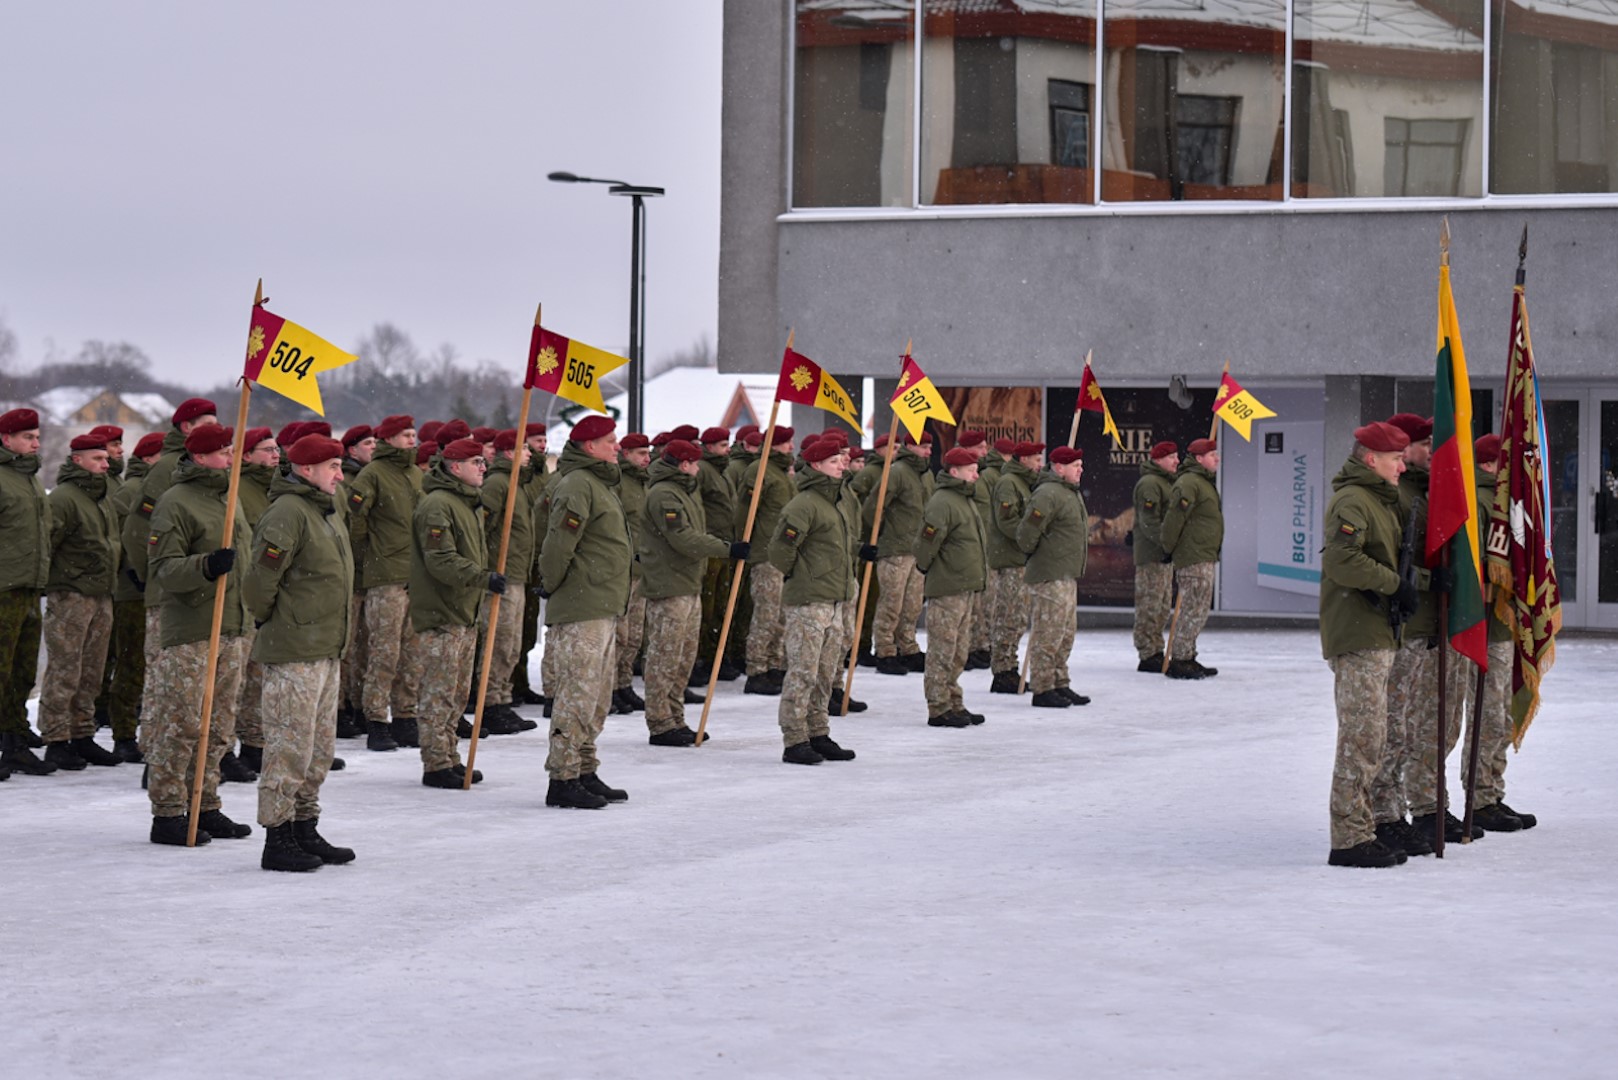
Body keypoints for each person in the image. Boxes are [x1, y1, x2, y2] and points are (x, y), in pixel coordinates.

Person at [243, 434, 357, 871]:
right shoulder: (287, 512)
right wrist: (281, 619)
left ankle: (305, 826)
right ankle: (278, 836)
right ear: (306, 469)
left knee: (318, 748)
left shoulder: (325, 509)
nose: (340, 475)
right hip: (295, 648)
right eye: (333, 467)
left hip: (325, 647)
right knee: (288, 746)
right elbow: (259, 584)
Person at [145, 422, 254, 846]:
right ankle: (169, 811)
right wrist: (205, 566)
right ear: (201, 457)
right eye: (224, 452)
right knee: (183, 723)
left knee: (219, 725)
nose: (231, 458)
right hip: (193, 628)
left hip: (232, 625)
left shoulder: (230, 496)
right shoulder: (175, 501)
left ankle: (205, 803)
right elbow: (163, 569)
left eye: (231, 450)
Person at [1321, 421, 1415, 868]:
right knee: (1360, 738)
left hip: (1377, 630)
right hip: (1359, 632)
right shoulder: (1354, 500)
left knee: (1373, 736)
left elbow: (1384, 561)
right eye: (1396, 458)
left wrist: (1417, 583)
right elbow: (1343, 560)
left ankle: (1364, 827)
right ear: (1371, 459)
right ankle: (1349, 839)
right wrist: (1394, 585)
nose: (1402, 466)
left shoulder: (1379, 500)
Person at [538, 415, 632, 809]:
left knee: (595, 696)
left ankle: (584, 768)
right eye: (610, 441)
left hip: (602, 602)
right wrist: (554, 583)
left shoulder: (598, 483)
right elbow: (559, 545)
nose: (617, 446)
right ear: (590, 446)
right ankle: (563, 777)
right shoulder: (578, 484)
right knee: (576, 694)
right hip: (582, 604)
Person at [408, 437, 502, 789]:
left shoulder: (467, 502)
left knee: (457, 693)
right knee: (439, 691)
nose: (483, 467)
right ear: (455, 467)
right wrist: (482, 577)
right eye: (476, 462)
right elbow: (440, 560)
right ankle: (435, 763)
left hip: (463, 611)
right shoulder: (438, 505)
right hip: (442, 612)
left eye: (482, 461)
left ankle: (449, 756)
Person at [639, 439, 744, 745]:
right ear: (684, 465)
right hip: (669, 585)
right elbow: (683, 538)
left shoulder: (684, 490)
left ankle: (675, 716)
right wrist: (725, 548)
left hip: (687, 582)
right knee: (665, 656)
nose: (699, 469)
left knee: (683, 657)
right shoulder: (664, 494)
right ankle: (660, 722)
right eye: (695, 463)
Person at [769, 437, 863, 765]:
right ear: (816, 465)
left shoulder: (836, 500)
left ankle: (818, 732)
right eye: (834, 461)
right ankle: (795, 738)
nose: (841, 465)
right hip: (809, 601)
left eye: (840, 460)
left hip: (834, 599)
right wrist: (805, 575)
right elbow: (780, 552)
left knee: (825, 672)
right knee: (803, 671)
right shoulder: (804, 504)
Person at [38, 431, 122, 770]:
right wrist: (62, 578)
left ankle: (82, 733)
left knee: (92, 669)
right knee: (65, 667)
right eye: (97, 458)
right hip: (71, 593)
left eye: (106, 458)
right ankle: (56, 737)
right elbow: (48, 544)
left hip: (101, 593)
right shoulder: (64, 498)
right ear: (77, 460)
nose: (105, 464)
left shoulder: (101, 497)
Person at [1467, 433, 1536, 832]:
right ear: (1490, 465)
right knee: (1487, 713)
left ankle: (1491, 793)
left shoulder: (1506, 505)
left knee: (1498, 713)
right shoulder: (1482, 502)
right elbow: (1477, 565)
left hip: (1503, 624)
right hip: (1486, 624)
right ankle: (1479, 797)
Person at [346, 413, 424, 752]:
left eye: (413, 434)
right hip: (385, 576)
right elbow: (356, 523)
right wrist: (372, 557)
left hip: (414, 575)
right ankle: (376, 718)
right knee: (384, 651)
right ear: (388, 439)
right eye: (405, 435)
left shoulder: (415, 473)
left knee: (412, 652)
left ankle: (405, 715)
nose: (412, 439)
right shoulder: (373, 474)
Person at [913, 445, 988, 727]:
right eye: (971, 470)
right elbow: (925, 544)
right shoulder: (943, 502)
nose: (976, 475)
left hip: (964, 587)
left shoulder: (964, 498)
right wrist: (927, 567)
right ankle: (939, 707)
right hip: (947, 588)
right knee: (942, 651)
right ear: (955, 472)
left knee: (958, 651)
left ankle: (954, 702)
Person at [0, 408, 55, 778]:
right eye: (28, 437)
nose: (36, 443)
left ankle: (15, 740)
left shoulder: (31, 479)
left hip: (30, 587)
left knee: (22, 670)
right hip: (4, 588)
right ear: (7, 439)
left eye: (37, 437)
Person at [474, 428, 539, 736]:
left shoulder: (517, 484)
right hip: (502, 574)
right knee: (498, 642)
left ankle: (502, 698)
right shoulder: (498, 483)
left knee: (511, 644)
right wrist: (487, 567)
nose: (529, 454)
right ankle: (488, 703)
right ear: (510, 453)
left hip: (517, 573)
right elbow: (481, 529)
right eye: (524, 449)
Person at [106, 430, 165, 762]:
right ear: (148, 458)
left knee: (149, 665)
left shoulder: (162, 487)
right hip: (133, 590)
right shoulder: (131, 491)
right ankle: (124, 732)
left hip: (155, 588)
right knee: (132, 662)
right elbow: (122, 538)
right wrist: (136, 573)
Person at [1016, 446, 1090, 708]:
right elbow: (1027, 534)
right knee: (1049, 633)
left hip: (1066, 574)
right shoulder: (1047, 493)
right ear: (1059, 468)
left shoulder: (1070, 492)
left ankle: (1060, 682)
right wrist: (1041, 555)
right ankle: (1043, 687)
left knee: (1065, 633)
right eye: (1075, 465)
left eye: (1080, 465)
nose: (1081, 469)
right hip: (1050, 575)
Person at [734, 425, 795, 694]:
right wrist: (743, 540)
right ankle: (757, 668)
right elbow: (745, 511)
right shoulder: (759, 471)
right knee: (766, 613)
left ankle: (774, 663)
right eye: (786, 442)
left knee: (781, 613)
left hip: (783, 553)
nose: (791, 447)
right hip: (765, 551)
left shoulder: (783, 472)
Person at [866, 430, 933, 675]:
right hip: (895, 549)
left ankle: (908, 647)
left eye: (929, 447)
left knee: (913, 604)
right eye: (923, 446)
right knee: (891, 602)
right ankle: (885, 650)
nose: (928, 451)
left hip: (917, 549)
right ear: (910, 447)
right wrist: (886, 532)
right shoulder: (896, 472)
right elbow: (873, 507)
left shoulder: (926, 475)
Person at [1159, 437, 1223, 679]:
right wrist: (1168, 547)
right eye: (1212, 455)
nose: (1217, 458)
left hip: (1203, 554)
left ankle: (1188, 655)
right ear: (1199, 459)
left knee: (1199, 609)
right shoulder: (1189, 483)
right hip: (1193, 556)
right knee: (1192, 608)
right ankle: (1180, 660)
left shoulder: (1202, 482)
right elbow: (1174, 519)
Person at [987, 441, 1042, 694]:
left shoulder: (1026, 482)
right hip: (1010, 559)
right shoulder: (1008, 483)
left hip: (1021, 559)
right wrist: (1029, 538)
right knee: (1008, 616)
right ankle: (1002, 670)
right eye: (1036, 459)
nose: (1040, 463)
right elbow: (1007, 521)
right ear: (1023, 460)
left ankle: (1010, 666)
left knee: (1018, 617)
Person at [1131, 440, 1179, 672]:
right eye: (1172, 457)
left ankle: (1155, 649)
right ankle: (1147, 652)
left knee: (1161, 605)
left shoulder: (1167, 482)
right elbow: (1149, 522)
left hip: (1163, 554)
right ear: (1159, 460)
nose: (1177, 461)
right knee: (1150, 604)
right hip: (1152, 555)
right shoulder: (1150, 483)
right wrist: (1166, 544)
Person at [612, 433, 651, 714]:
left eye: (647, 453)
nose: (647, 458)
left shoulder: (644, 482)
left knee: (635, 634)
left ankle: (624, 683)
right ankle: (611, 685)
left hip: (642, 568)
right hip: (623, 569)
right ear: (625, 454)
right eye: (640, 453)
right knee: (620, 633)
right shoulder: (618, 482)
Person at [954, 430, 994, 671]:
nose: (985, 451)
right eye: (980, 447)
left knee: (980, 603)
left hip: (982, 545)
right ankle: (966, 648)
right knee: (966, 603)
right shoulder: (961, 479)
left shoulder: (982, 475)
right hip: (966, 547)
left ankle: (977, 645)